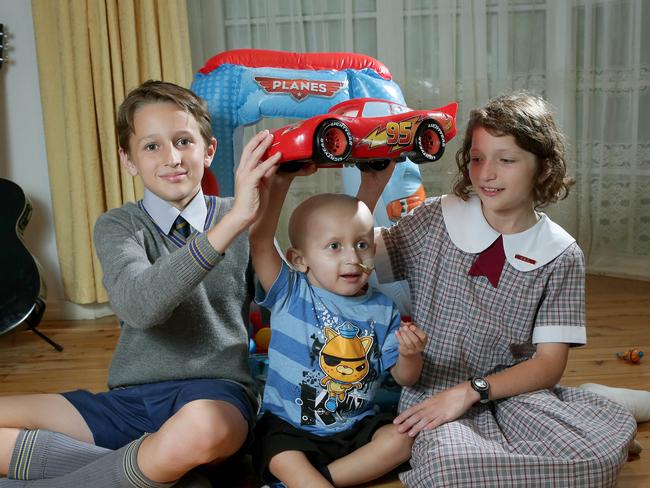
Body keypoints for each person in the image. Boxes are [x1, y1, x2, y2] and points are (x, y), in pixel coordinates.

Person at [0, 80, 281, 487]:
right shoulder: (119, 225)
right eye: (151, 146)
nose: (172, 158)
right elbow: (139, 306)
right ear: (128, 160)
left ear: (209, 150)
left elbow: (289, 304)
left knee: (203, 429)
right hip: (129, 402)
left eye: (184, 141)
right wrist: (233, 222)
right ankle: (154, 468)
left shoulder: (242, 215)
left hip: (215, 396)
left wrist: (260, 209)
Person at [357, 92, 638, 487]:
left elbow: (547, 364)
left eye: (506, 160)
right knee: (450, 472)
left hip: (513, 391)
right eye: (476, 158)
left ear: (543, 168)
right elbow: (356, 255)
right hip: (435, 390)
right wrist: (372, 186)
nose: (486, 173)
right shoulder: (437, 218)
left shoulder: (560, 254)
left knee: (591, 462)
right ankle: (590, 407)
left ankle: (596, 408)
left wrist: (473, 391)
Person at [248, 167, 428, 487]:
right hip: (290, 428)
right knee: (282, 454)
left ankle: (313, 481)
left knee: (402, 439)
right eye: (334, 246)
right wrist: (280, 183)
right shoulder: (291, 292)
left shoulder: (382, 308)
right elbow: (260, 241)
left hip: (356, 427)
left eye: (362, 244)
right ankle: (306, 479)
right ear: (299, 259)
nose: (352, 258)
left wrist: (410, 354)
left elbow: (404, 377)